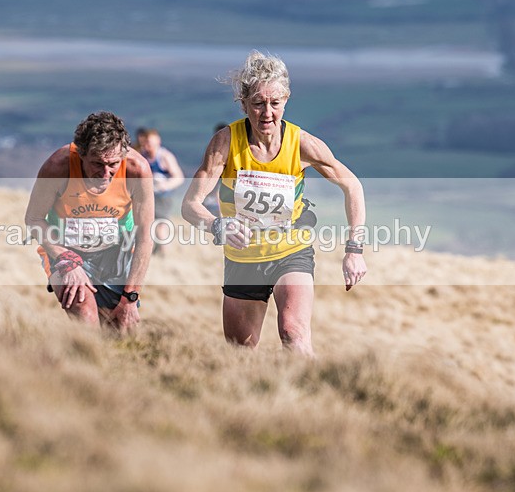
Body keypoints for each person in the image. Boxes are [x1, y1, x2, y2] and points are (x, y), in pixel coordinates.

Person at [181, 51, 367, 356]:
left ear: (286, 100)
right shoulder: (226, 143)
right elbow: (190, 205)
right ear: (243, 104)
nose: (267, 113)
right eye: (258, 103)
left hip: (290, 252)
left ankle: (310, 400)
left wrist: (354, 250)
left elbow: (353, 186)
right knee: (239, 351)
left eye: (275, 103)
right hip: (243, 259)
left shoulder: (302, 143)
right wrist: (217, 225)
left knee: (293, 334)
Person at [25, 111, 154, 330]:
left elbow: (144, 237)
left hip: (117, 253)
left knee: (123, 330)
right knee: (86, 315)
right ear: (81, 154)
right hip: (65, 249)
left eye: (113, 164)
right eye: (97, 164)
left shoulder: (136, 169)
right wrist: (66, 259)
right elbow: (34, 218)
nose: (106, 173)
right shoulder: (59, 166)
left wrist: (130, 298)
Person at [136, 127, 184, 255]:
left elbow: (179, 177)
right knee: (145, 224)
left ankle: (163, 253)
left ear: (158, 142)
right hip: (145, 196)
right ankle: (150, 251)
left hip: (163, 197)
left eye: (150, 144)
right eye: (145, 144)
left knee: (161, 224)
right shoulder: (141, 155)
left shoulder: (164, 156)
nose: (147, 147)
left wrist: (164, 186)